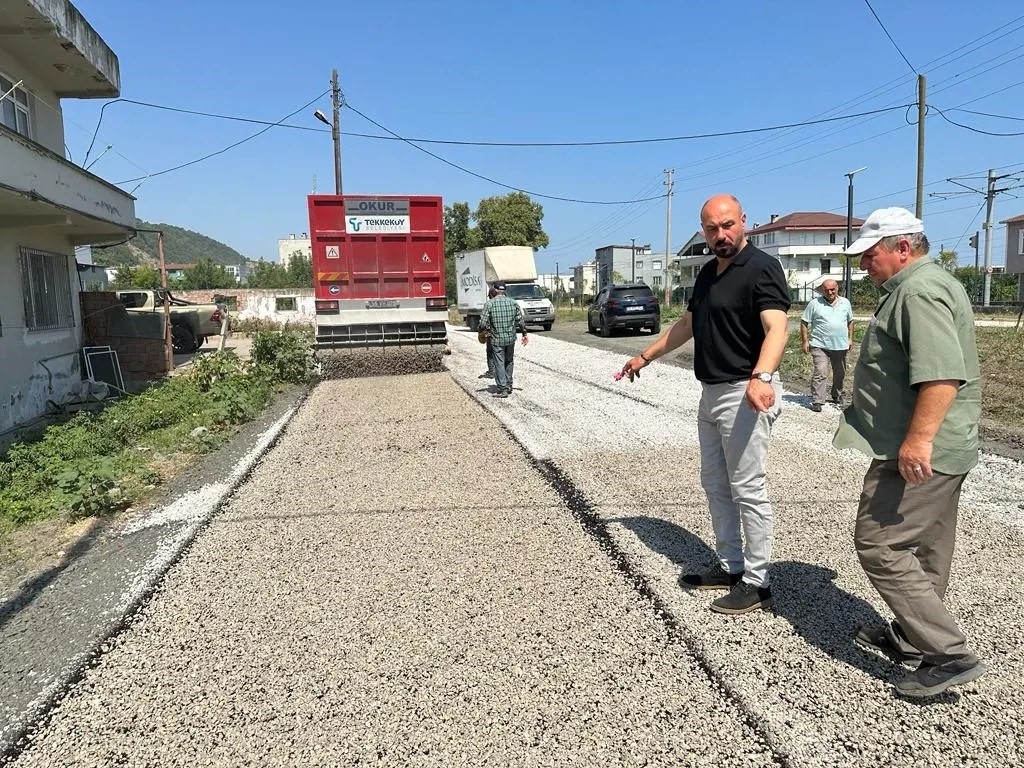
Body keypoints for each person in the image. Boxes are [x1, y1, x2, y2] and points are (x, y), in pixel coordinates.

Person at [835, 207, 987, 698]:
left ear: (903, 248)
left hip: (924, 446)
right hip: (947, 444)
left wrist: (917, 440)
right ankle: (912, 637)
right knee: (928, 546)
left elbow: (941, 373)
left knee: (879, 543)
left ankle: (948, 653)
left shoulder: (918, 291)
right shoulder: (923, 284)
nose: (864, 266)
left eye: (871, 254)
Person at [620, 194, 791, 615]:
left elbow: (777, 328)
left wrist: (762, 377)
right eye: (712, 229)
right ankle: (731, 565)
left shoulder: (762, 268)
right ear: (704, 231)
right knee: (715, 484)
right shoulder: (709, 275)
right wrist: (644, 356)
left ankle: (757, 581)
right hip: (711, 391)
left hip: (745, 391)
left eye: (728, 225)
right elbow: (686, 325)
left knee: (748, 488)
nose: (721, 235)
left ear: (743, 222)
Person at [800, 279, 853, 411]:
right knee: (821, 371)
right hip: (819, 344)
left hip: (840, 345)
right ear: (822, 290)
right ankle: (818, 401)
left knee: (840, 373)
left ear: (837, 289)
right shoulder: (814, 304)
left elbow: (850, 321)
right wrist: (805, 341)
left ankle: (837, 395)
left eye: (832, 289)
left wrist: (850, 339)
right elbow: (804, 322)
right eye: (827, 290)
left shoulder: (845, 303)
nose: (830, 292)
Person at [479, 282, 528, 398]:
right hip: (511, 339)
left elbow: (482, 323)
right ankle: (509, 385)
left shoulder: (489, 304)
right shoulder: (513, 303)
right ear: (504, 291)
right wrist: (524, 334)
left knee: (499, 362)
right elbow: (520, 321)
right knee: (509, 361)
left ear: (495, 291)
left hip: (497, 339)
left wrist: (482, 331)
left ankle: (502, 389)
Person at [478, 287, 499, 379]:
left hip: (491, 333)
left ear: (490, 295)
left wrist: (480, 330)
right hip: (504, 333)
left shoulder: (489, 304)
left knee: (490, 352)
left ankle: (492, 372)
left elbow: (483, 322)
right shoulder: (506, 303)